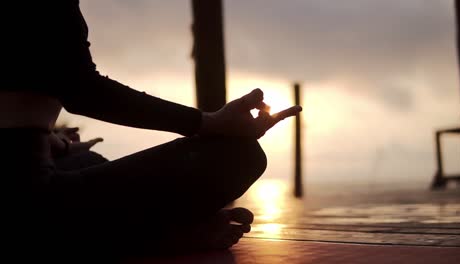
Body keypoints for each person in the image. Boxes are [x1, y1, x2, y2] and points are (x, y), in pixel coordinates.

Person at [2, 0, 302, 260]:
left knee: (91, 162)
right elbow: (83, 89)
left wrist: (56, 143)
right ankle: (151, 238)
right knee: (239, 155)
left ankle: (123, 230)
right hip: (25, 204)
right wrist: (210, 122)